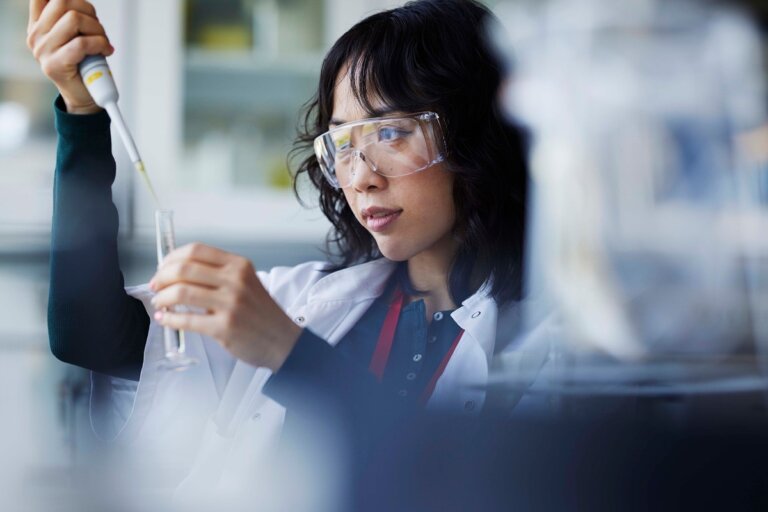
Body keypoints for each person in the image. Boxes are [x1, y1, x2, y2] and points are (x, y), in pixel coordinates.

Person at [28, 0, 541, 492]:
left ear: (479, 135)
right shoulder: (297, 302)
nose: (361, 177)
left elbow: (448, 477)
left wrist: (288, 352)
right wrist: (82, 113)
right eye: (344, 142)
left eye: (390, 131)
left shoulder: (549, 348)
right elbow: (85, 332)